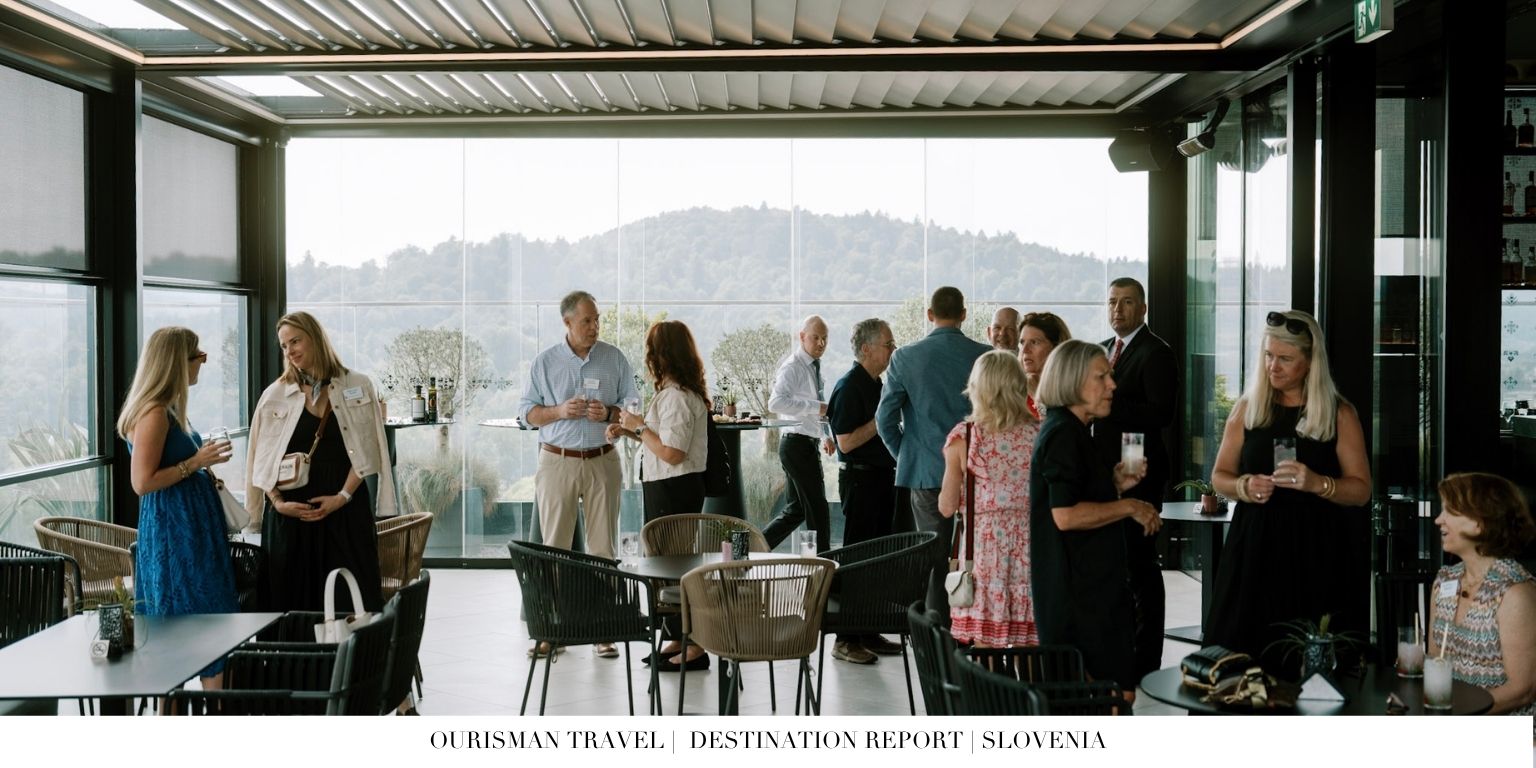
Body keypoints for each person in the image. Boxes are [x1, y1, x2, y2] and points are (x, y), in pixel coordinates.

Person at [1204, 310, 1372, 668]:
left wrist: (1318, 484)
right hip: (1253, 549)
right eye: (1267, 355)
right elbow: (1219, 476)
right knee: (1240, 656)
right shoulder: (1248, 408)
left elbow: (1361, 491)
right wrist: (1244, 486)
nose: (1272, 366)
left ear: (1310, 363)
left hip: (1317, 551)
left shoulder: (1339, 414)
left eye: (1284, 359)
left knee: (1307, 663)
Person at [1030, 339, 1160, 695]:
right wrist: (1131, 506)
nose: (1112, 385)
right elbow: (1066, 516)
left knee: (1116, 697)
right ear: (1072, 381)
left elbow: (1075, 498)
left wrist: (1114, 485)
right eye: (1101, 377)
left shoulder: (1073, 431)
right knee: (1111, 700)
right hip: (1080, 604)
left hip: (1090, 595)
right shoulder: (1063, 434)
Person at [248, 312, 393, 620]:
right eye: (284, 346)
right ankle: (297, 667)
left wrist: (342, 497)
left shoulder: (358, 384)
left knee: (351, 602)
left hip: (345, 513)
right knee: (291, 602)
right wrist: (277, 503)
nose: (290, 351)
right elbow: (260, 458)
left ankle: (350, 667)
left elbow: (368, 451)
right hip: (290, 518)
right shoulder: (274, 395)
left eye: (296, 341)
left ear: (316, 338)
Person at [518, 290, 638, 660]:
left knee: (603, 549)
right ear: (567, 322)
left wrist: (610, 413)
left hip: (603, 462)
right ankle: (553, 631)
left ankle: (602, 630)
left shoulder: (614, 359)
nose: (594, 327)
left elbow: (634, 409)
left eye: (597, 319)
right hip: (558, 462)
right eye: (587, 320)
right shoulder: (545, 362)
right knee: (554, 549)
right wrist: (558, 411)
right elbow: (526, 414)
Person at [118, 327, 238, 689]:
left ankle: (208, 711)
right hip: (177, 534)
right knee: (196, 617)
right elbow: (141, 483)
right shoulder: (154, 413)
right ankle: (209, 712)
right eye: (198, 356)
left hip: (191, 529)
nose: (202, 362)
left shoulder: (169, 409)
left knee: (204, 617)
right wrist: (196, 462)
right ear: (176, 363)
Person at [608, 320, 710, 672]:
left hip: (674, 488)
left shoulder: (678, 396)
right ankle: (676, 637)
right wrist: (631, 431)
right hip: (668, 485)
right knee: (668, 565)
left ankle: (694, 645)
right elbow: (662, 443)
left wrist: (638, 427)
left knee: (676, 566)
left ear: (661, 354)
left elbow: (672, 453)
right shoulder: (674, 392)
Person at [1090, 277, 1177, 679]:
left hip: (1138, 470)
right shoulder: (1106, 350)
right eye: (1112, 302)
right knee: (1117, 567)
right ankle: (1121, 647)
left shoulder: (1156, 352)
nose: (1117, 310)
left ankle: (1147, 659)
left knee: (1141, 567)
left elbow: (1160, 413)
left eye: (1126, 303)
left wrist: (1109, 403)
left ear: (1142, 308)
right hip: (1107, 472)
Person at [939, 351, 1040, 648]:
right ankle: (1029, 695)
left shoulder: (964, 437)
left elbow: (946, 507)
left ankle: (992, 696)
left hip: (984, 556)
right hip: (1032, 552)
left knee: (985, 644)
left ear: (978, 389)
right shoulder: (1040, 433)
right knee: (1030, 644)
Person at [877, 286, 991, 546]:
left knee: (932, 558)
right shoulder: (985, 356)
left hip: (925, 469)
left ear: (930, 314)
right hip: (976, 468)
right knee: (976, 551)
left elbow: (885, 419)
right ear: (963, 314)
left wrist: (908, 454)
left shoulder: (905, 357)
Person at [826, 318, 903, 664]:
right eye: (888, 344)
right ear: (867, 348)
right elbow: (845, 441)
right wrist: (881, 420)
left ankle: (867, 629)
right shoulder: (849, 386)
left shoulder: (877, 384)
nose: (892, 349)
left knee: (876, 560)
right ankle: (845, 639)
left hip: (881, 479)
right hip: (860, 480)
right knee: (857, 560)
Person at [1427, 472, 1536, 716]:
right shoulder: (1445, 580)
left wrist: (1456, 716)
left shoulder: (1514, 592)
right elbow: (1435, 660)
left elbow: (1523, 690)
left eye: (1450, 511)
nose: (1437, 520)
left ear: (1481, 522)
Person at [764, 315, 834, 553]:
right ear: (802, 336)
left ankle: (754, 547)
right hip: (796, 445)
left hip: (805, 443)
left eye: (825, 338)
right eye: (816, 337)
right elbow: (776, 403)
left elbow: (818, 403)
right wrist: (815, 408)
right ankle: (827, 571)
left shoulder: (814, 367)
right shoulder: (793, 366)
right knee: (818, 510)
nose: (821, 343)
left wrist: (825, 435)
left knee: (797, 510)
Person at [1017, 311, 1072, 419]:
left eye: (1034, 342)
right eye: (1022, 343)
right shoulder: (1013, 389)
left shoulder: (1072, 391)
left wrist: (1036, 396)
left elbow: (1061, 432)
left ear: (1056, 348)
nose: (1025, 350)